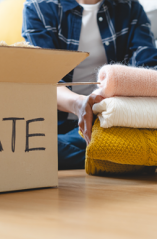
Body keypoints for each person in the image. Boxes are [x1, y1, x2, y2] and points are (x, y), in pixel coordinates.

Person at [22, 0, 157, 170]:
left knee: (37, 150)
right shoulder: (38, 6)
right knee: (30, 145)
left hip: (107, 120)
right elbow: (43, 77)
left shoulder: (130, 7)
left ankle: (118, 155)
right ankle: (121, 157)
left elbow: (149, 71)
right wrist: (79, 104)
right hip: (54, 118)